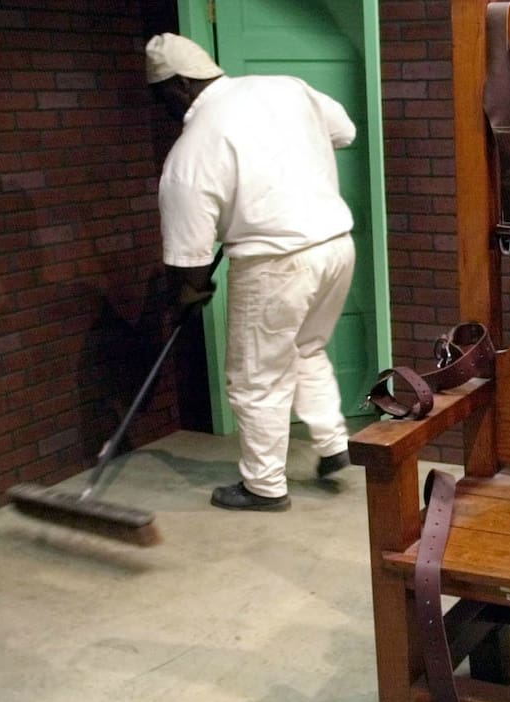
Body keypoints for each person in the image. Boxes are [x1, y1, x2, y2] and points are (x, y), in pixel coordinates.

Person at [146, 32, 356, 512]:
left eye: (159, 96)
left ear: (179, 85)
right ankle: (332, 444)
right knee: (306, 347)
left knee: (256, 376)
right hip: (334, 247)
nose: (161, 108)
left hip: (276, 262)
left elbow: (191, 261)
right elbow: (343, 131)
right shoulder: (284, 87)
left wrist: (189, 296)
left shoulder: (191, 151)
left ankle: (264, 487)